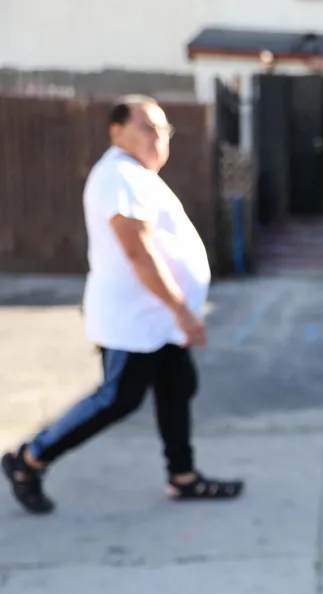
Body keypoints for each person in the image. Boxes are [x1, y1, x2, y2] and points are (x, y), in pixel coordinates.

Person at [2, 95, 244, 515]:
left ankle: (182, 476)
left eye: (164, 130)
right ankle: (29, 459)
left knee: (177, 387)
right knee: (117, 398)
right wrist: (184, 311)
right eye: (147, 127)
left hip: (157, 320)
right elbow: (138, 251)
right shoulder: (119, 174)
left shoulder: (135, 175)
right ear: (117, 130)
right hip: (137, 320)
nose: (158, 137)